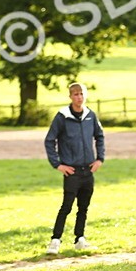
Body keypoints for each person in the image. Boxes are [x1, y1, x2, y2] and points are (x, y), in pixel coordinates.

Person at [44, 82, 105, 253]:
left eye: (81, 94)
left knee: (83, 207)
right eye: (76, 94)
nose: (79, 97)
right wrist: (57, 164)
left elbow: (100, 136)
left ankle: (80, 238)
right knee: (67, 206)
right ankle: (55, 241)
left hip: (88, 170)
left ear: (85, 95)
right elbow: (49, 140)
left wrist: (100, 159)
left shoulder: (90, 115)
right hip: (71, 171)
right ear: (70, 96)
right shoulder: (62, 117)